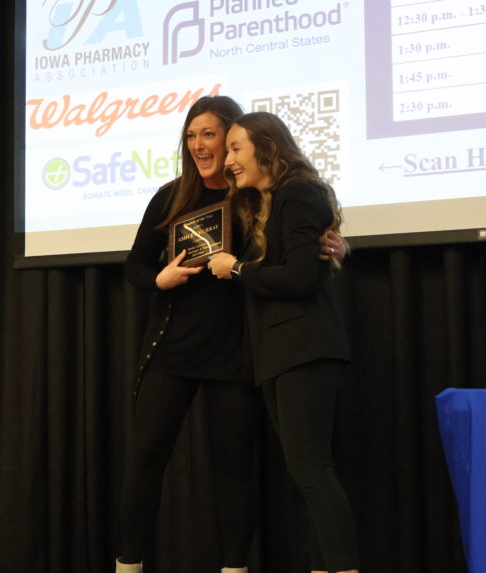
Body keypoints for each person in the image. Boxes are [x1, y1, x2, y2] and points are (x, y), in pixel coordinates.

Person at [118, 96, 345, 573]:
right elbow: (134, 266)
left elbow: (296, 256)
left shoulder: (257, 197)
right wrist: (159, 279)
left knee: (235, 465)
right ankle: (128, 565)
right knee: (144, 456)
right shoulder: (170, 196)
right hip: (174, 346)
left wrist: (335, 244)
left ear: (235, 141)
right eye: (191, 135)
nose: (199, 145)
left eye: (211, 135)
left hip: (239, 348)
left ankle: (235, 568)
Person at [208, 111, 360, 573]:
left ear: (268, 148)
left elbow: (299, 278)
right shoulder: (268, 202)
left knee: (313, 471)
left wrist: (236, 269)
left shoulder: (299, 192)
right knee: (306, 473)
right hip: (280, 352)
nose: (227, 160)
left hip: (304, 347)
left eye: (236, 148)